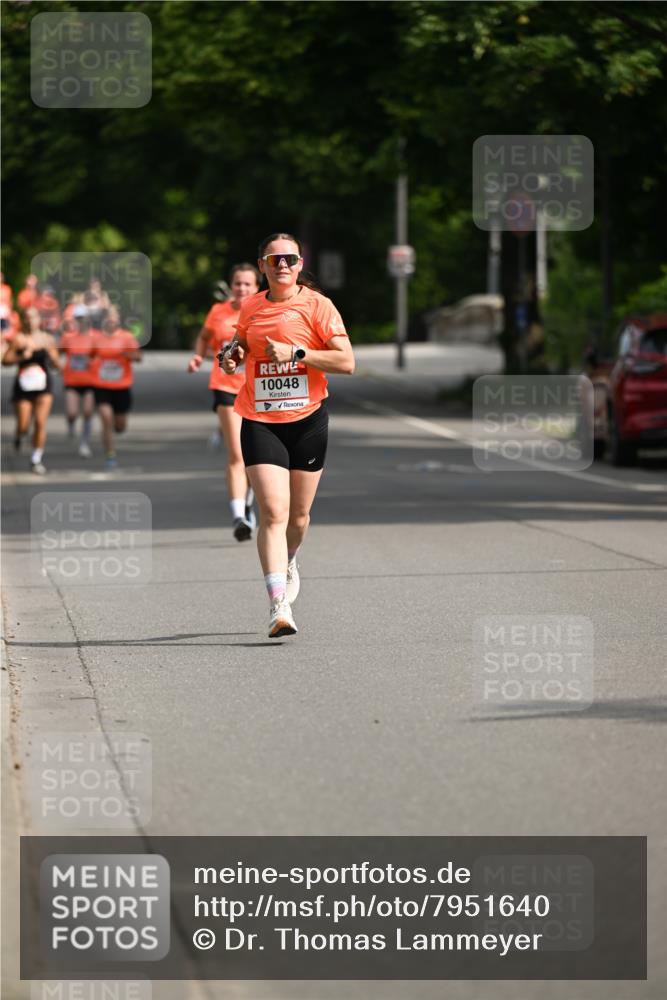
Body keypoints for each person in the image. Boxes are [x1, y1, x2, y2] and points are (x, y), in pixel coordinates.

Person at [222, 233, 355, 637]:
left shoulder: (318, 305)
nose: (282, 265)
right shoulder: (250, 306)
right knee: (274, 513)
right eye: (274, 259)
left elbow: (346, 361)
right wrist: (232, 357)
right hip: (260, 419)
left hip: (308, 419)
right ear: (262, 265)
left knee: (298, 517)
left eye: (290, 259)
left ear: (300, 265)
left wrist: (297, 354)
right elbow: (241, 344)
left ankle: (291, 557)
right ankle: (279, 605)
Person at [188, 264, 260, 541]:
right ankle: (238, 515)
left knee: (257, 456)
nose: (242, 288)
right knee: (237, 455)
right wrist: (198, 356)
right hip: (225, 387)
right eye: (238, 284)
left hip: (259, 391)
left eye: (247, 284)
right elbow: (204, 338)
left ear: (256, 287)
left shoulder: (263, 311)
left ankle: (250, 501)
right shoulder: (219, 311)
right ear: (231, 286)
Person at [2, 306, 62, 473]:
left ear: (39, 320)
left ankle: (36, 458)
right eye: (27, 317)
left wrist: (51, 357)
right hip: (24, 385)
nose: (30, 320)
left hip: (43, 385)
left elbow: (57, 365)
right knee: (23, 425)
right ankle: (19, 435)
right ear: (23, 320)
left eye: (33, 317)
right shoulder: (19, 339)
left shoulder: (47, 339)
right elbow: (5, 361)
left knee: (40, 423)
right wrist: (22, 356)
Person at [90, 306, 141, 469]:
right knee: (106, 419)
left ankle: (113, 431)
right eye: (108, 318)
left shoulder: (127, 337)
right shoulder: (96, 338)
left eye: (114, 318)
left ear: (118, 320)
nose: (111, 321)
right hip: (101, 385)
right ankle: (110, 455)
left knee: (120, 426)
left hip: (121, 386)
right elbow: (89, 354)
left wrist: (126, 354)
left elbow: (138, 357)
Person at [59, 305, 96, 456]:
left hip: (91, 380)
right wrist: (57, 365)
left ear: (88, 319)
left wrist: (92, 360)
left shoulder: (96, 337)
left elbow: (103, 356)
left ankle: (84, 444)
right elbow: (58, 353)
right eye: (78, 318)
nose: (81, 321)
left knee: (87, 412)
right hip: (72, 380)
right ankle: (71, 425)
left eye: (83, 318)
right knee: (72, 413)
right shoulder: (68, 337)